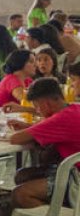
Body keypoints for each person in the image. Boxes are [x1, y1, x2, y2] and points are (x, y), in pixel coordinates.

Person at [8, 78, 80, 209]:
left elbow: (15, 139)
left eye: (36, 105)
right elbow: (56, 129)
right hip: (71, 170)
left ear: (46, 103)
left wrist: (28, 129)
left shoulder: (61, 118)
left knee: (19, 194)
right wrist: (30, 126)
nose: (37, 110)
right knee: (22, 175)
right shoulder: (74, 108)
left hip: (76, 179)